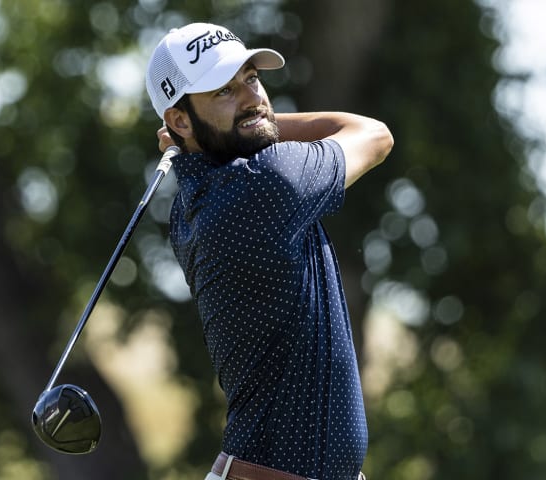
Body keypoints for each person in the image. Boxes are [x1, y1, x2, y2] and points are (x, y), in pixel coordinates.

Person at [145, 22, 393, 480]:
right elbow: (373, 135)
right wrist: (261, 123)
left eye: (251, 79)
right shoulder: (265, 184)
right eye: (223, 91)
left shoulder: (189, 205)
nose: (251, 98)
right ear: (178, 120)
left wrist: (216, 130)